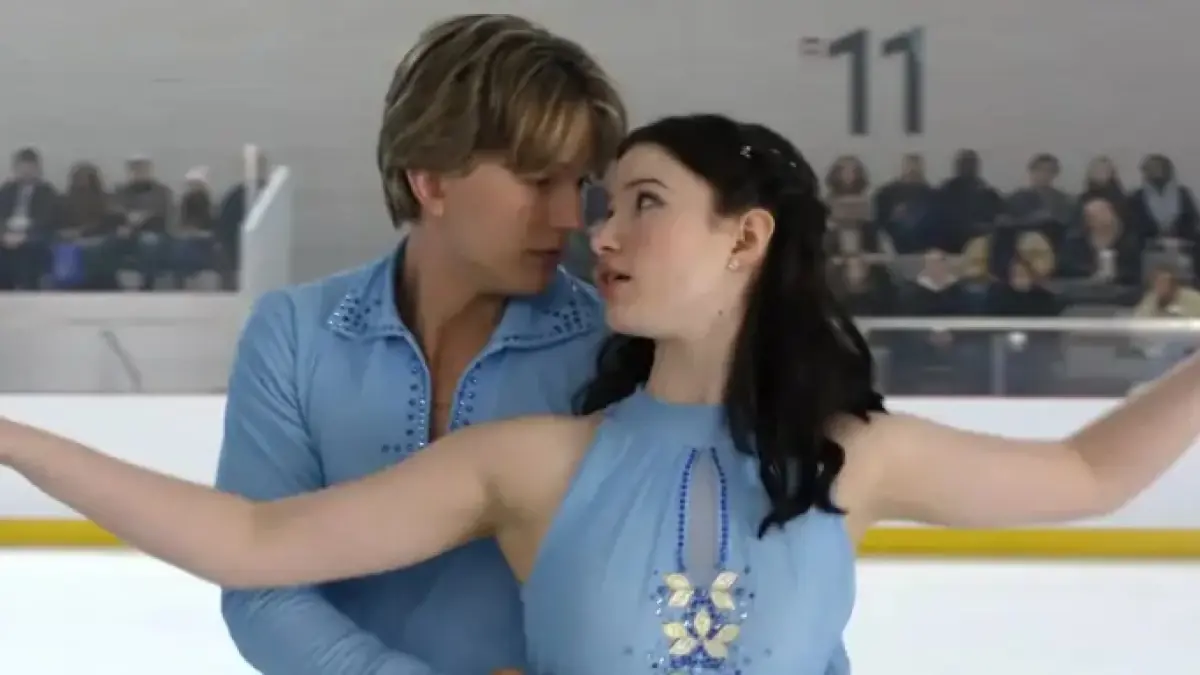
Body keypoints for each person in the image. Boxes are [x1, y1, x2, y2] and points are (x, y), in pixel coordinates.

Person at [4, 114, 1200, 675]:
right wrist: (11, 436)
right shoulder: (532, 462)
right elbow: (253, 542)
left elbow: (1090, 473)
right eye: (605, 204)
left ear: (746, 238)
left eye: (643, 204)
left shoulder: (853, 454)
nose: (601, 234)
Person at [199, 13, 623, 675]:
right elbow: (262, 589)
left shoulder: (617, 350)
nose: (571, 217)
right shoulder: (294, 335)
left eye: (579, 184)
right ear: (431, 179)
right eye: (540, 181)